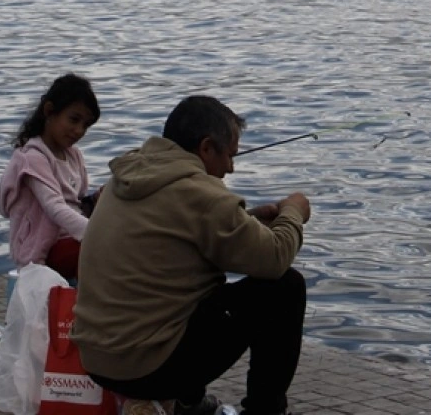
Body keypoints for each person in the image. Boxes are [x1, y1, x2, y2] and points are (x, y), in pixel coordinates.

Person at [71, 95, 311, 415]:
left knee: (191, 288)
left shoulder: (129, 175)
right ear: (206, 148)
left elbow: (176, 237)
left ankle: (186, 403)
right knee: (285, 288)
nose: (231, 168)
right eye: (229, 155)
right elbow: (275, 258)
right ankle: (265, 411)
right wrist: (294, 211)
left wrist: (248, 220)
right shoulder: (201, 194)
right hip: (145, 366)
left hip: (95, 358)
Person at [0, 73, 101, 282]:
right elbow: (55, 208)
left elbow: (76, 203)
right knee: (104, 250)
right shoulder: (33, 159)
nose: (79, 130)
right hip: (43, 249)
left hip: (72, 238)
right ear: (49, 111)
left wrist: (102, 200)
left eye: (86, 125)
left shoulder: (73, 155)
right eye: (73, 120)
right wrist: (98, 234)